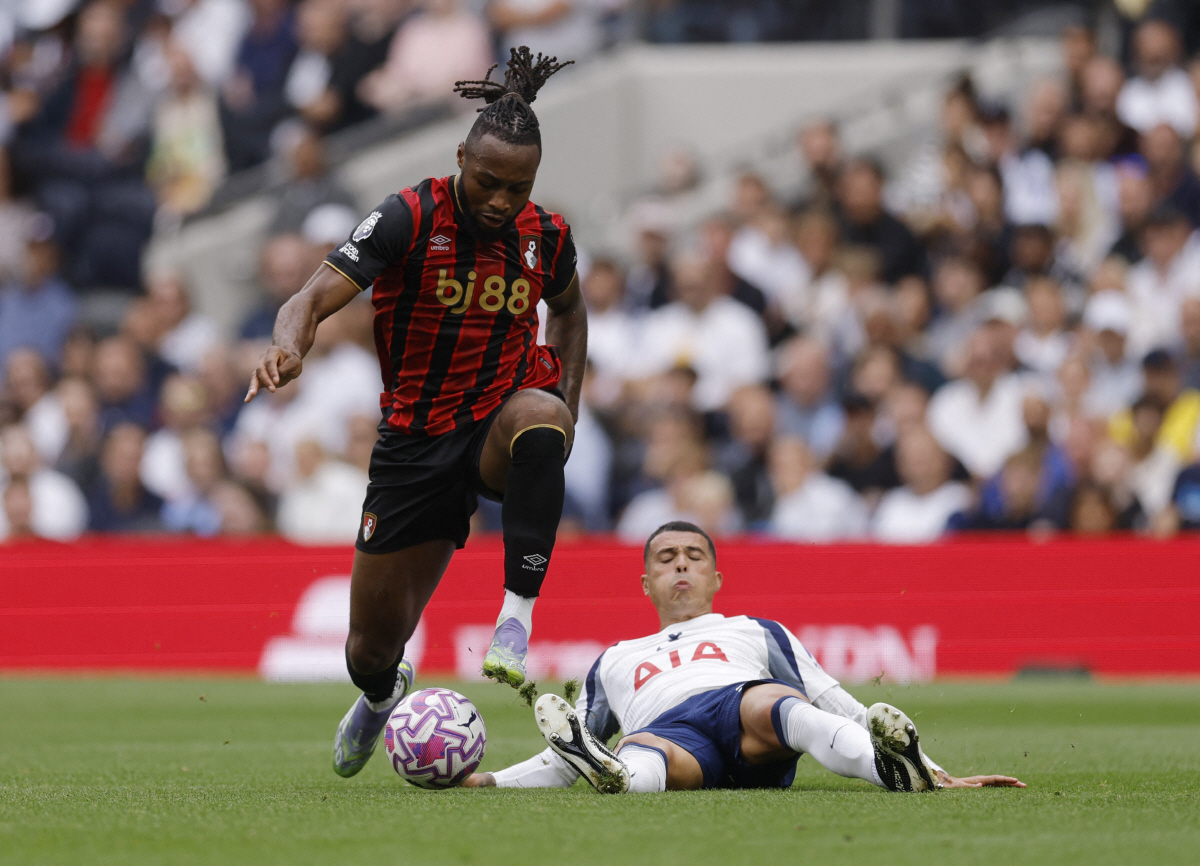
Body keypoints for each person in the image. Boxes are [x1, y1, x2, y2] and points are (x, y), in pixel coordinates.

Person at [243, 48, 587, 778]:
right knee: (370, 646)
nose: (500, 201)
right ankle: (377, 696)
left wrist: (571, 408)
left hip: (496, 423)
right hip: (413, 442)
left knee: (541, 417)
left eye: (516, 188)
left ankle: (515, 620)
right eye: (488, 182)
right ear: (462, 156)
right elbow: (308, 297)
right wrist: (287, 348)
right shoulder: (407, 215)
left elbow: (571, 313)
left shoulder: (544, 237)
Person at [463, 522, 1024, 794]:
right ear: (646, 583)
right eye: (666, 558)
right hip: (671, 737)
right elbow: (565, 755)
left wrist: (937, 771)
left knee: (777, 701)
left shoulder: (752, 629)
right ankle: (619, 774)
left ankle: (895, 771)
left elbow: (830, 697)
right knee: (640, 752)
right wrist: (487, 782)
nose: (681, 565)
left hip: (745, 716)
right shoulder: (613, 659)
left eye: (693, 556)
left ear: (715, 577)